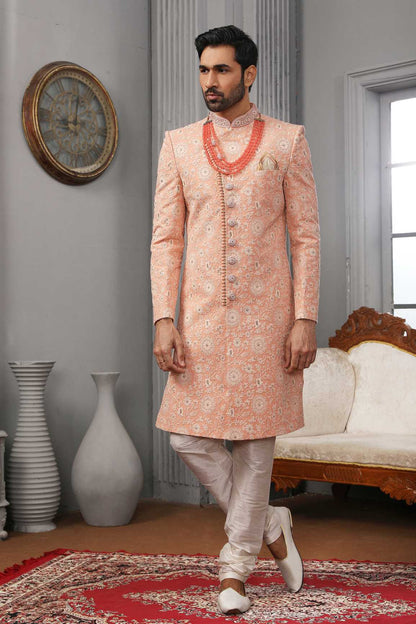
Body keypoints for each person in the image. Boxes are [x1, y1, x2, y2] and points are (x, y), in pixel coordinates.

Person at [150, 25, 320, 616]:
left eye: (221, 70)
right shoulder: (178, 145)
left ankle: (235, 569)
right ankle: (270, 523)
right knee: (185, 434)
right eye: (204, 70)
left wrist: (304, 317)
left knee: (254, 442)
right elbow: (166, 240)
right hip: (198, 318)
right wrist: (163, 316)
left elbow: (306, 237)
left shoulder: (288, 141)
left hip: (268, 320)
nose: (210, 81)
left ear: (248, 74)